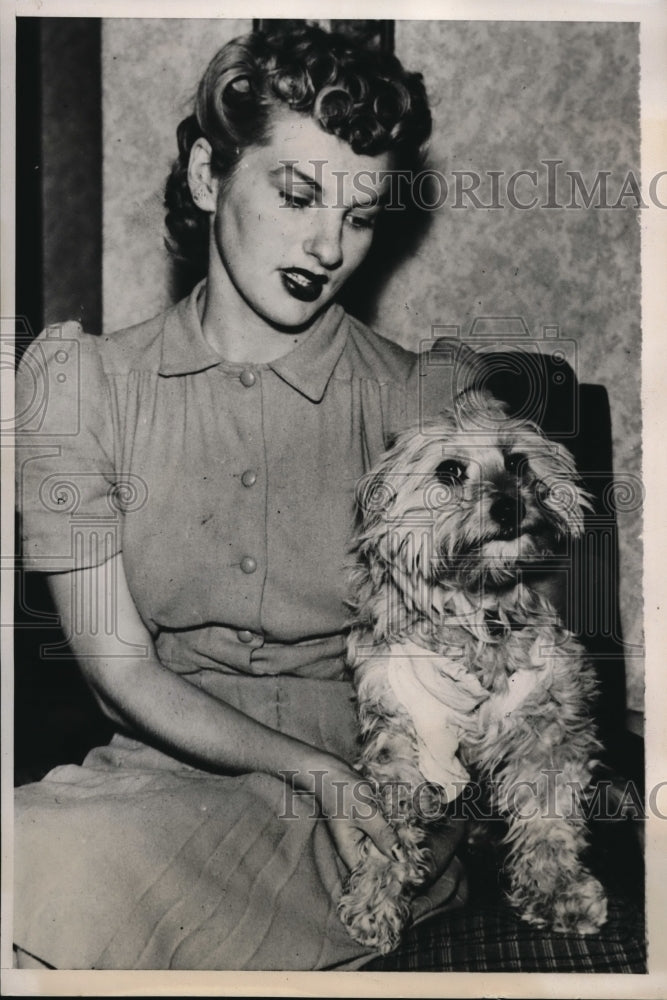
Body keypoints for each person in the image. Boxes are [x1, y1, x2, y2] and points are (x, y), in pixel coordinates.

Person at [13, 25, 471, 971]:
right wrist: (306, 769)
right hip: (163, 767)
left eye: (360, 214)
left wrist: (356, 779)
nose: (327, 245)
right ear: (205, 174)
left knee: (54, 864)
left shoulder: (427, 408)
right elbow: (119, 671)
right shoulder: (78, 387)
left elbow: (485, 669)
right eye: (297, 193)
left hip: (376, 797)